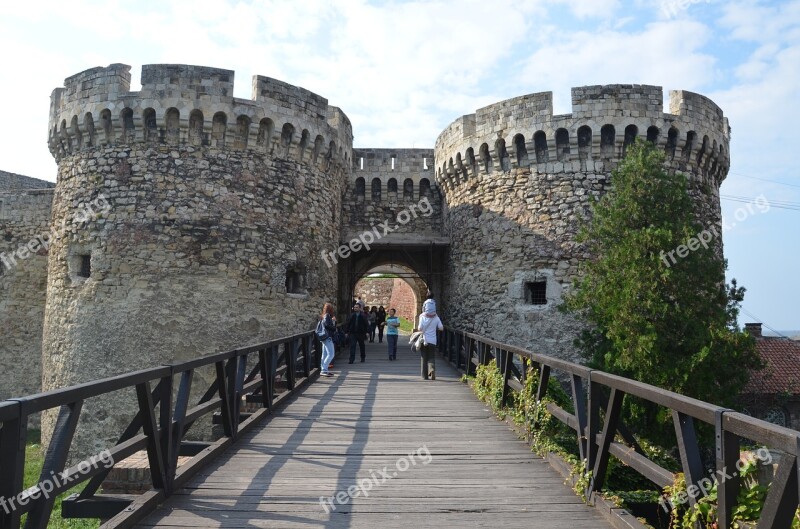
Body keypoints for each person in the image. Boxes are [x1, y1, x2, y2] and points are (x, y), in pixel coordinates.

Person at [417, 302, 443, 380]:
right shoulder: (436, 317)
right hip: (433, 340)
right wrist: (435, 328)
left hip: (424, 340)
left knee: (424, 357)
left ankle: (424, 376)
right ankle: (432, 369)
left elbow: (419, 328)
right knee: (431, 356)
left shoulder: (422, 316)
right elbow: (441, 328)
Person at [319, 303, 337, 377]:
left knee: (325, 354)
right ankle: (324, 369)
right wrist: (333, 323)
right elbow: (327, 325)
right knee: (331, 354)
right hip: (327, 337)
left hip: (324, 337)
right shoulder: (327, 316)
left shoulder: (324, 315)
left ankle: (324, 370)